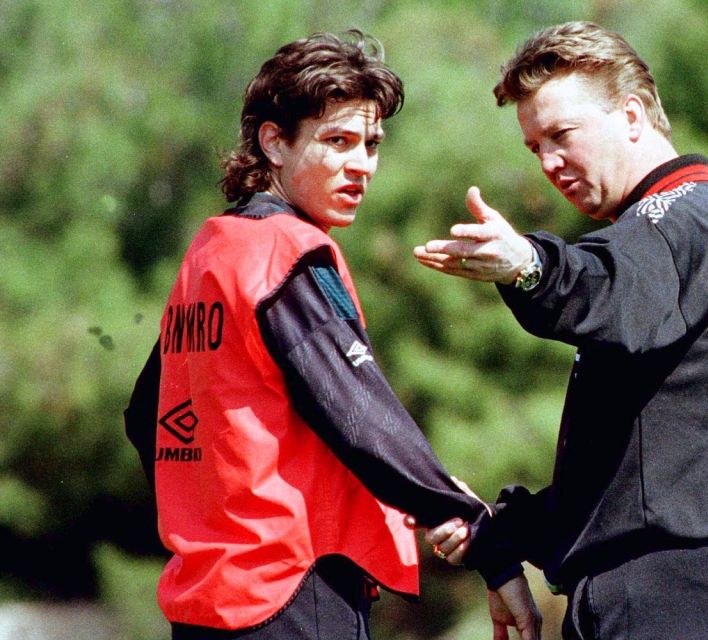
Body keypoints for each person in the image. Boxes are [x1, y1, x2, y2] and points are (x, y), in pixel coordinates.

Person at [123, 30, 540, 640]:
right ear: (273, 142)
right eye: (337, 142)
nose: (361, 165)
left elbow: (146, 416)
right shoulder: (287, 255)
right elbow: (363, 419)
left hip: (207, 601)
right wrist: (483, 537)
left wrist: (217, 515)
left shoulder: (211, 256)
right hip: (292, 592)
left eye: (371, 145)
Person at [413, 21, 708, 640]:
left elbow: (599, 286)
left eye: (562, 134)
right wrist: (499, 534)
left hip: (672, 600)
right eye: (534, 146)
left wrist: (529, 265)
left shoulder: (670, 224)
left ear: (631, 115)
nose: (547, 162)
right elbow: (639, 487)